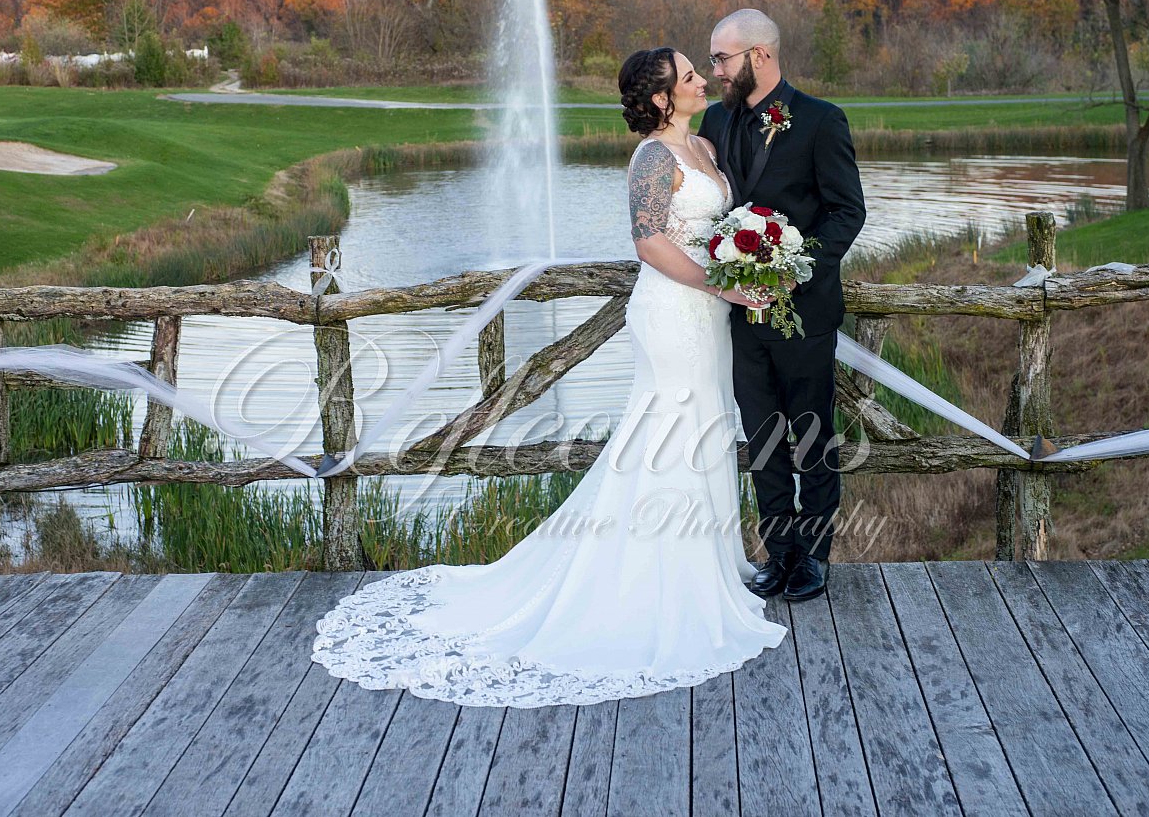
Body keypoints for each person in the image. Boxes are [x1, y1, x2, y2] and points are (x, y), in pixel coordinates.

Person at [306, 47, 788, 707]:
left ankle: (705, 568)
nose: (702, 79)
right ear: (659, 99)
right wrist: (722, 286)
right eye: (688, 77)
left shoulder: (703, 144)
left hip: (709, 316)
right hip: (676, 313)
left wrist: (751, 257)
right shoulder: (653, 157)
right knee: (668, 434)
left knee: (703, 429)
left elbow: (715, 224)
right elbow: (649, 241)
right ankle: (658, 585)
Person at [697, 8, 867, 602]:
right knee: (762, 432)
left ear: (760, 56)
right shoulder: (714, 122)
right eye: (714, 59)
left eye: (723, 58)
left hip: (806, 309)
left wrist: (792, 269)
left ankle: (815, 555)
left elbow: (848, 210)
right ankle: (779, 551)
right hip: (738, 312)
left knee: (813, 433)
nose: (715, 69)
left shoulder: (820, 120)